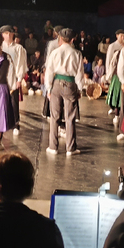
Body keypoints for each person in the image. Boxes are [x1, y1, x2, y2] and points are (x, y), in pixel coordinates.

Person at [43, 28, 85, 156]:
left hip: (56, 83)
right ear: (72, 40)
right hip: (70, 84)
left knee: (54, 116)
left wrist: (48, 88)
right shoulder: (77, 53)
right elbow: (79, 74)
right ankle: (70, 148)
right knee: (70, 117)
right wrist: (80, 89)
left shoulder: (54, 53)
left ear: (60, 38)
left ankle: (53, 147)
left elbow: (49, 71)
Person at [0, 25, 28, 136]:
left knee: (13, 100)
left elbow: (21, 64)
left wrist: (19, 79)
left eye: (9, 33)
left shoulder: (18, 48)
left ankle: (15, 123)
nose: (7, 35)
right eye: (5, 34)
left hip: (13, 77)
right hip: (1, 77)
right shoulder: (0, 46)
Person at [104, 29, 124, 123]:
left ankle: (119, 111)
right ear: (117, 36)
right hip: (115, 73)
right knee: (114, 93)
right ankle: (114, 109)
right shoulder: (112, 46)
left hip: (123, 73)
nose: (123, 37)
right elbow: (109, 60)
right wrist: (108, 73)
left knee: (121, 94)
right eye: (121, 36)